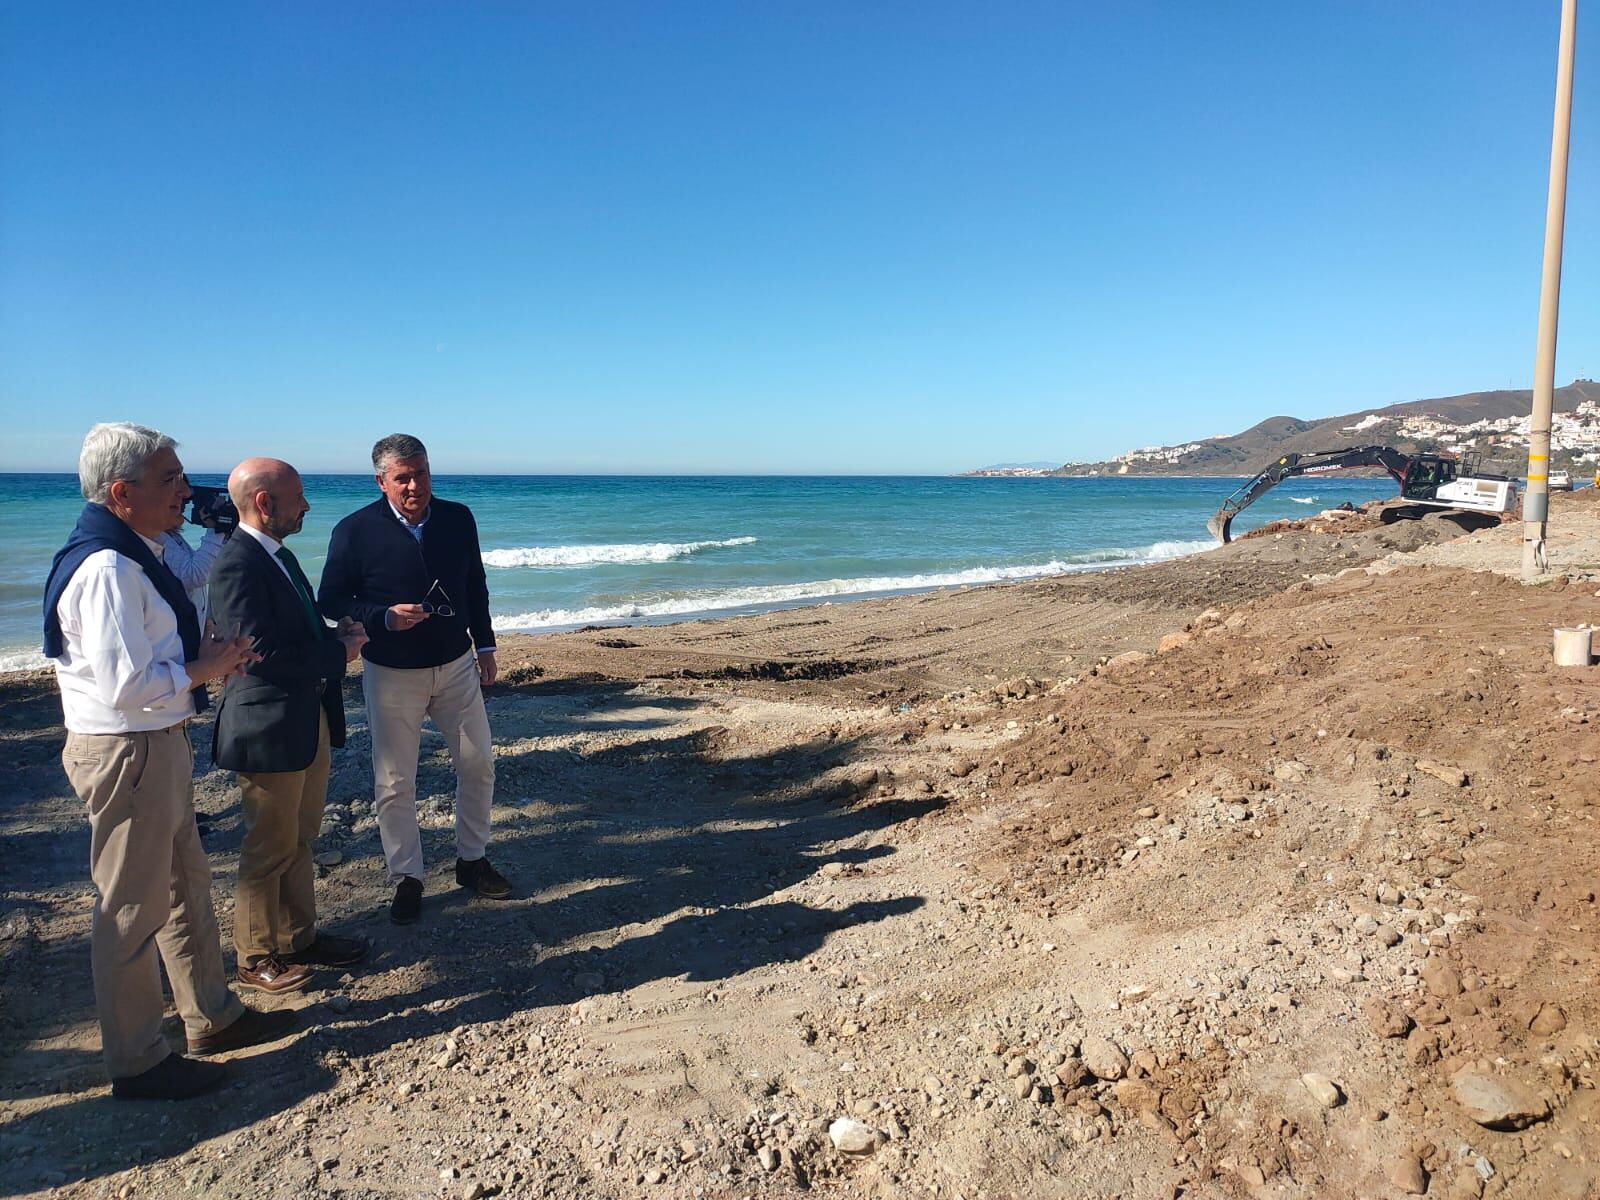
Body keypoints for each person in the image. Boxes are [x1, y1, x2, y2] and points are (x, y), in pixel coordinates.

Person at [42, 422, 296, 1101]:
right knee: (131, 907)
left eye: (182, 478)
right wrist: (205, 665)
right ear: (121, 493)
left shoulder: (140, 551)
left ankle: (209, 1016)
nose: (186, 492)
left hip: (157, 741)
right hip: (128, 749)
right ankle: (137, 1061)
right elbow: (127, 685)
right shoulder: (106, 569)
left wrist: (201, 655)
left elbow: (153, 644)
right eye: (170, 481)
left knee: (184, 885)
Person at [317, 433, 511, 924]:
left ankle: (471, 860)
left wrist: (485, 645)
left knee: (478, 764)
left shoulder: (457, 518)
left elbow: (474, 583)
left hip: (456, 665)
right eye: (401, 478)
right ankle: (407, 876)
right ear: (381, 481)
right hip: (391, 673)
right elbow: (331, 600)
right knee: (395, 781)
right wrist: (383, 616)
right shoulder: (354, 530)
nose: (413, 486)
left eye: (420, 473)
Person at [207, 458, 371, 994]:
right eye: (297, 496)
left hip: (304, 717)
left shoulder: (277, 556)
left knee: (301, 837)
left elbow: (296, 627)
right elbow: (258, 653)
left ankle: (298, 938)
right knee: (269, 845)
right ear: (263, 502)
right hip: (267, 726)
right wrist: (338, 652)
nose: (305, 505)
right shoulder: (237, 564)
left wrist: (333, 631)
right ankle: (254, 957)